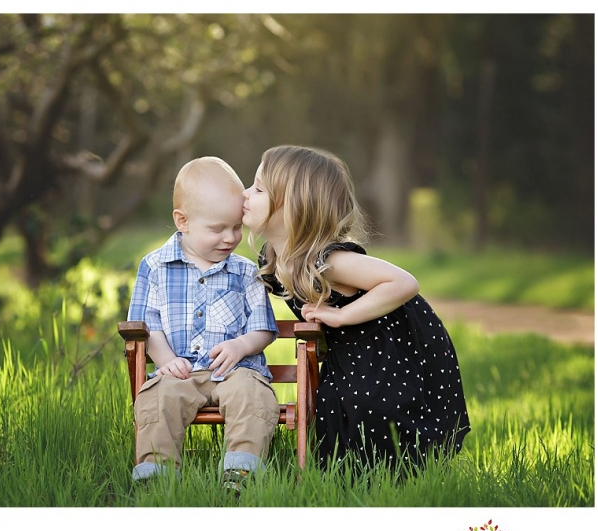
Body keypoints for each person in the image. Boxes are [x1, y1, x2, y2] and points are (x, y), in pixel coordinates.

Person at [242, 144, 471, 473]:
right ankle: (351, 476)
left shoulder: (329, 261)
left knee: (375, 409)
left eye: (259, 188)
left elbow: (404, 283)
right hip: (352, 349)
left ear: (293, 207)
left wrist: (340, 315)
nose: (246, 193)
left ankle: (407, 474)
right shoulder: (276, 260)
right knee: (335, 411)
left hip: (391, 346)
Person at [126, 156, 280, 493]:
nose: (230, 238)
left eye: (237, 227)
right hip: (179, 371)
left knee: (254, 395)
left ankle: (241, 474)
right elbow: (147, 324)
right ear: (183, 221)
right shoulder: (154, 267)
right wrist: (166, 361)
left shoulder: (244, 271)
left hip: (235, 370)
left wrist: (241, 346)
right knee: (157, 397)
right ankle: (157, 478)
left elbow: (264, 327)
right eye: (217, 229)